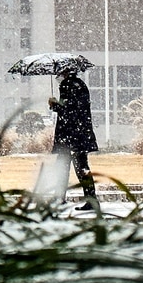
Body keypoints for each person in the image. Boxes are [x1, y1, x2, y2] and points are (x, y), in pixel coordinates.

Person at [49, 68, 99, 210]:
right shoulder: (80, 85)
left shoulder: (67, 85)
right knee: (81, 167)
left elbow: (68, 110)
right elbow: (78, 109)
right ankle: (90, 199)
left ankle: (60, 198)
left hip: (70, 135)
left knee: (65, 167)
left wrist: (54, 105)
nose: (58, 75)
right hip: (80, 134)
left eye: (60, 72)